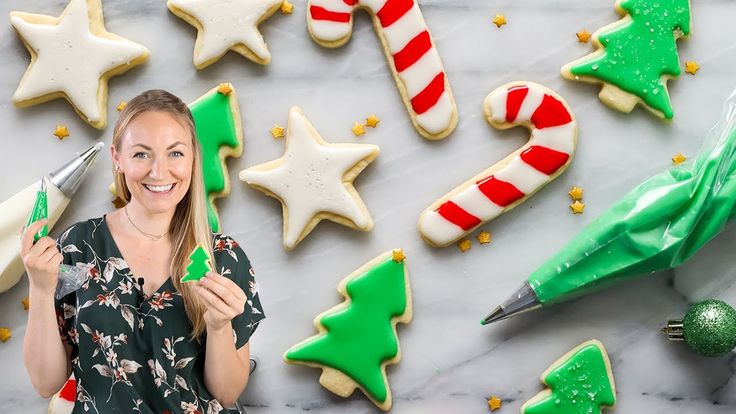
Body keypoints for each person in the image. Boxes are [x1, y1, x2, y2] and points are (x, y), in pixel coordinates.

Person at [20, 90, 264, 413]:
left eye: (175, 154)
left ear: (193, 157)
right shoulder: (78, 245)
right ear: (117, 158)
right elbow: (45, 383)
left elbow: (228, 393)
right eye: (141, 154)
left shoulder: (224, 257)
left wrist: (219, 327)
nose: (159, 172)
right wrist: (39, 287)